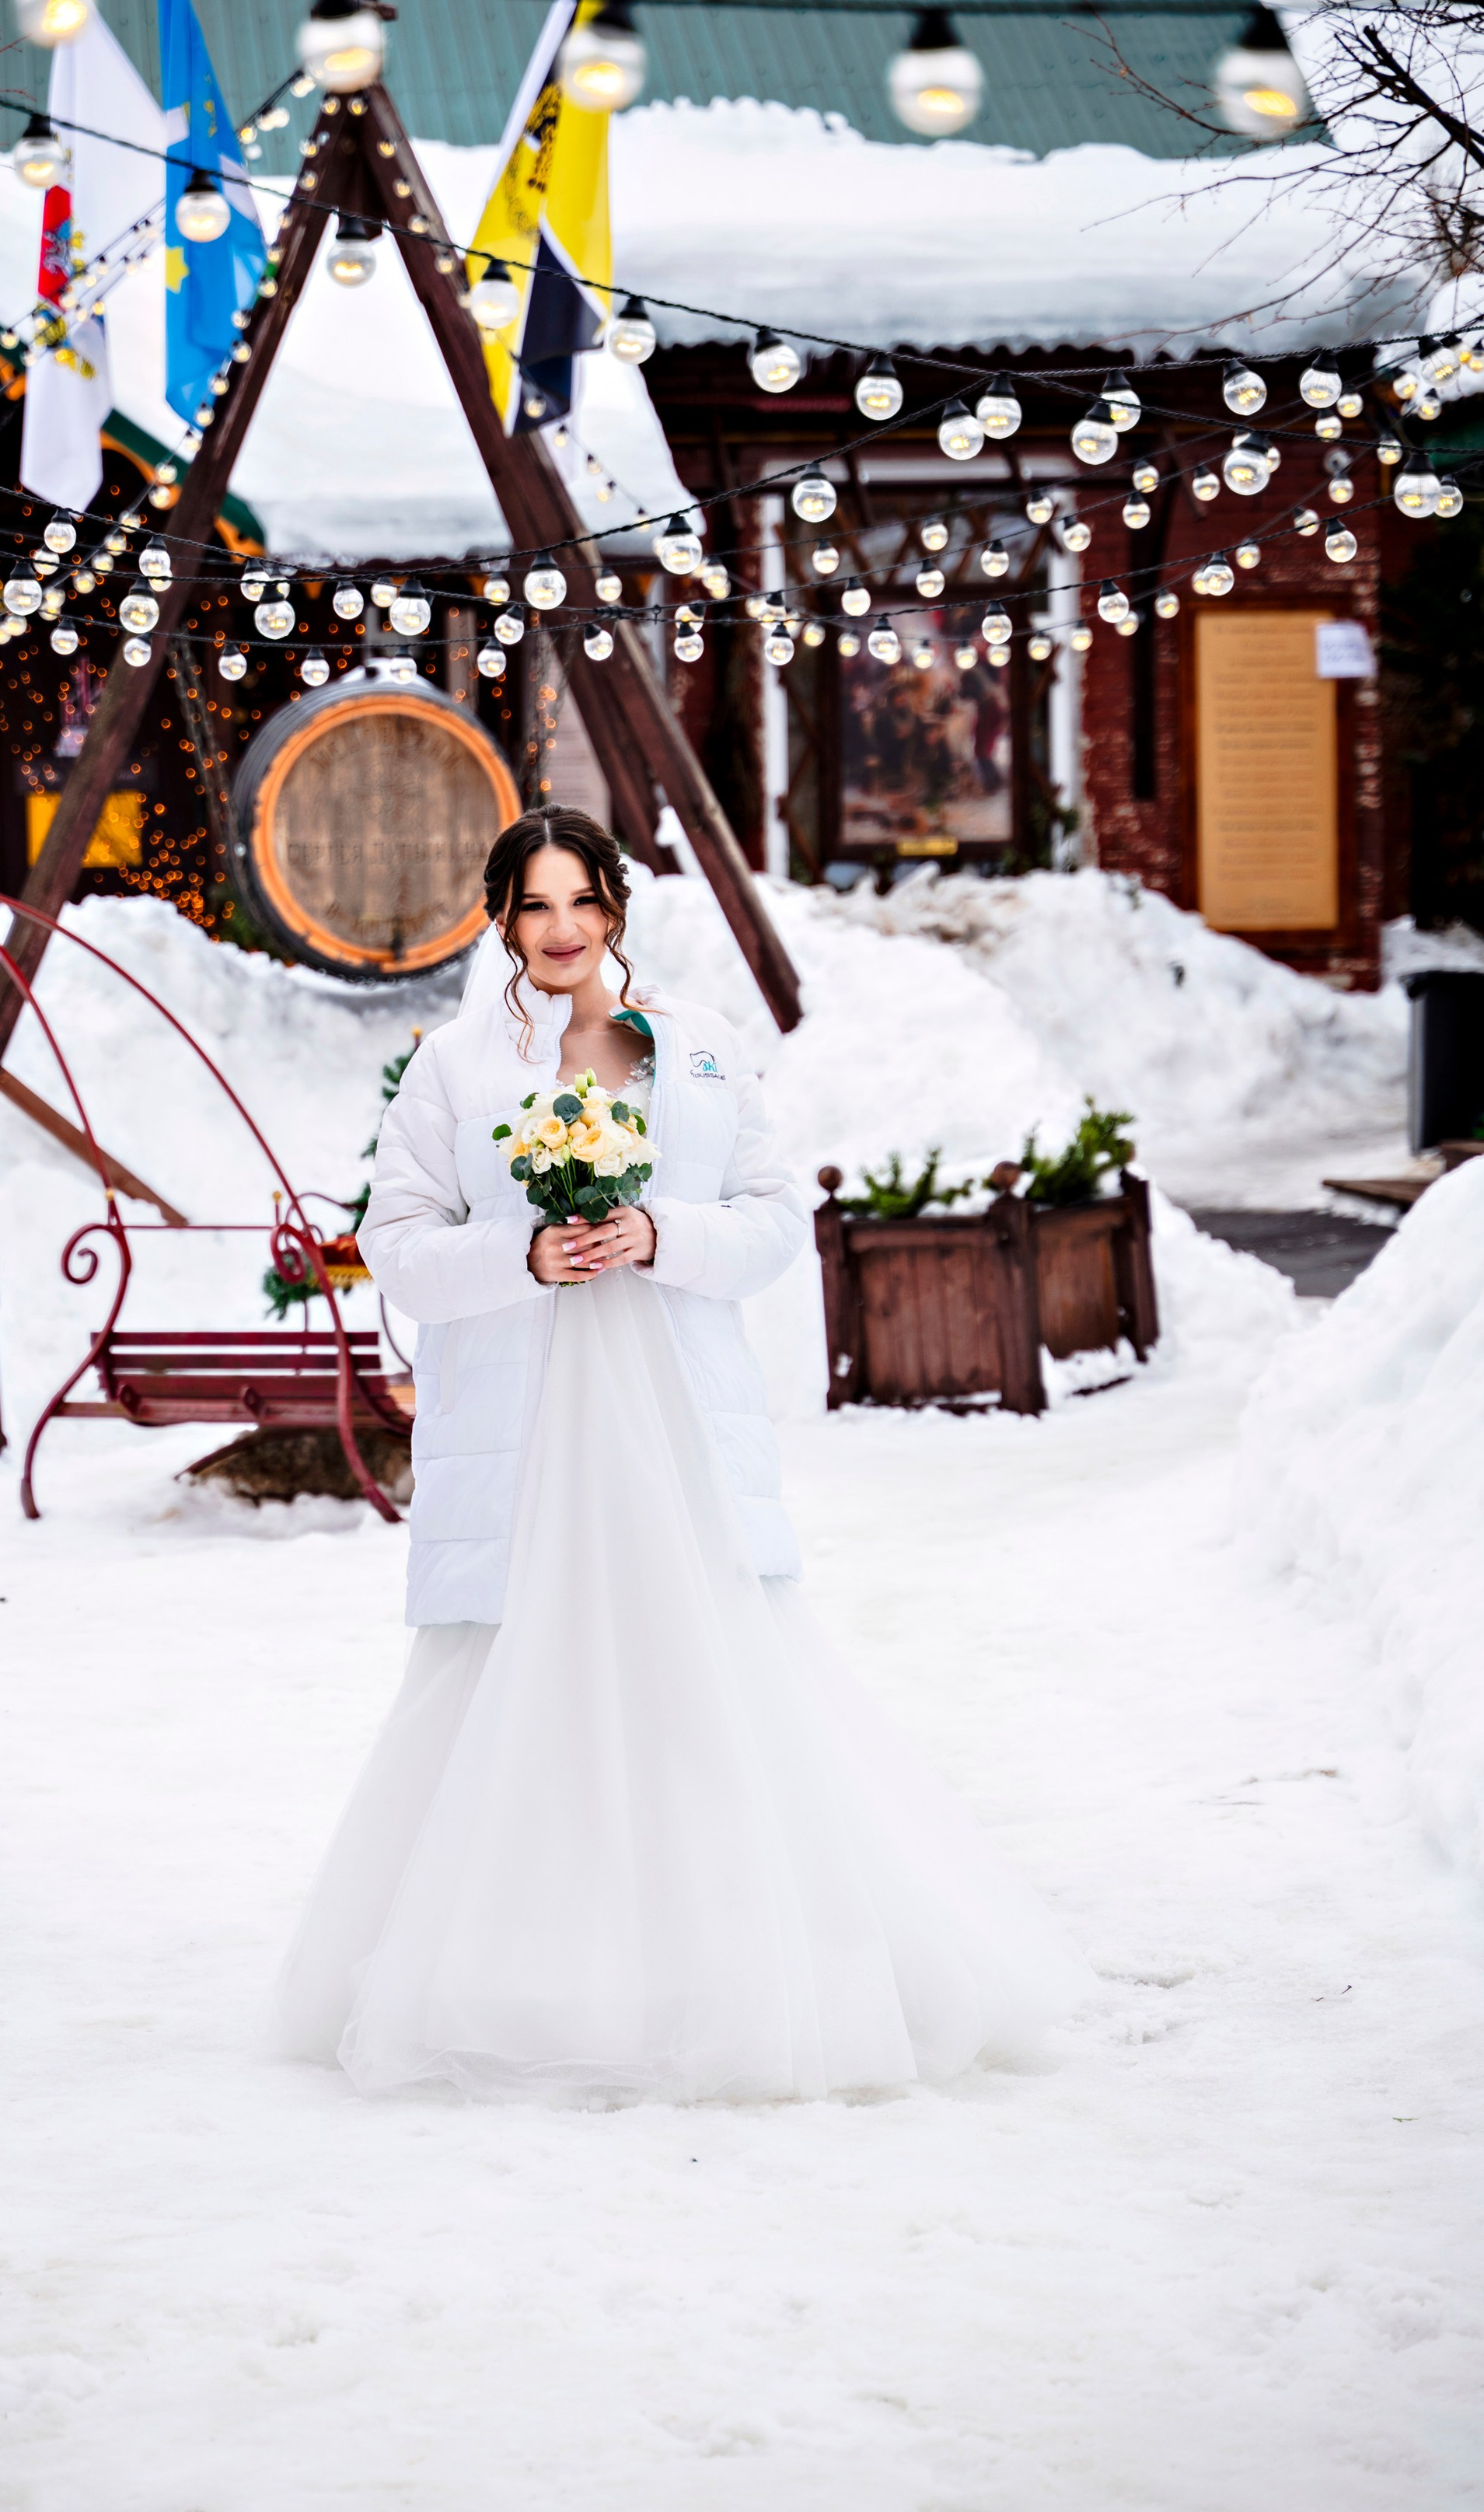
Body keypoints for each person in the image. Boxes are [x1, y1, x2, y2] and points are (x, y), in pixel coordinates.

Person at [274, 805, 1085, 2103]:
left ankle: (739, 1975)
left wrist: (662, 1236)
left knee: (710, 1676)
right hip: (529, 1433)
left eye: (582, 901)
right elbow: (402, 1247)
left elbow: (772, 1222)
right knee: (506, 1681)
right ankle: (514, 1977)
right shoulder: (454, 1068)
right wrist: (525, 1253)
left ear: (615, 907)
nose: (561, 930)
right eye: (535, 906)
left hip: (672, 1427)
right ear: (501, 919)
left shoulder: (697, 1050)